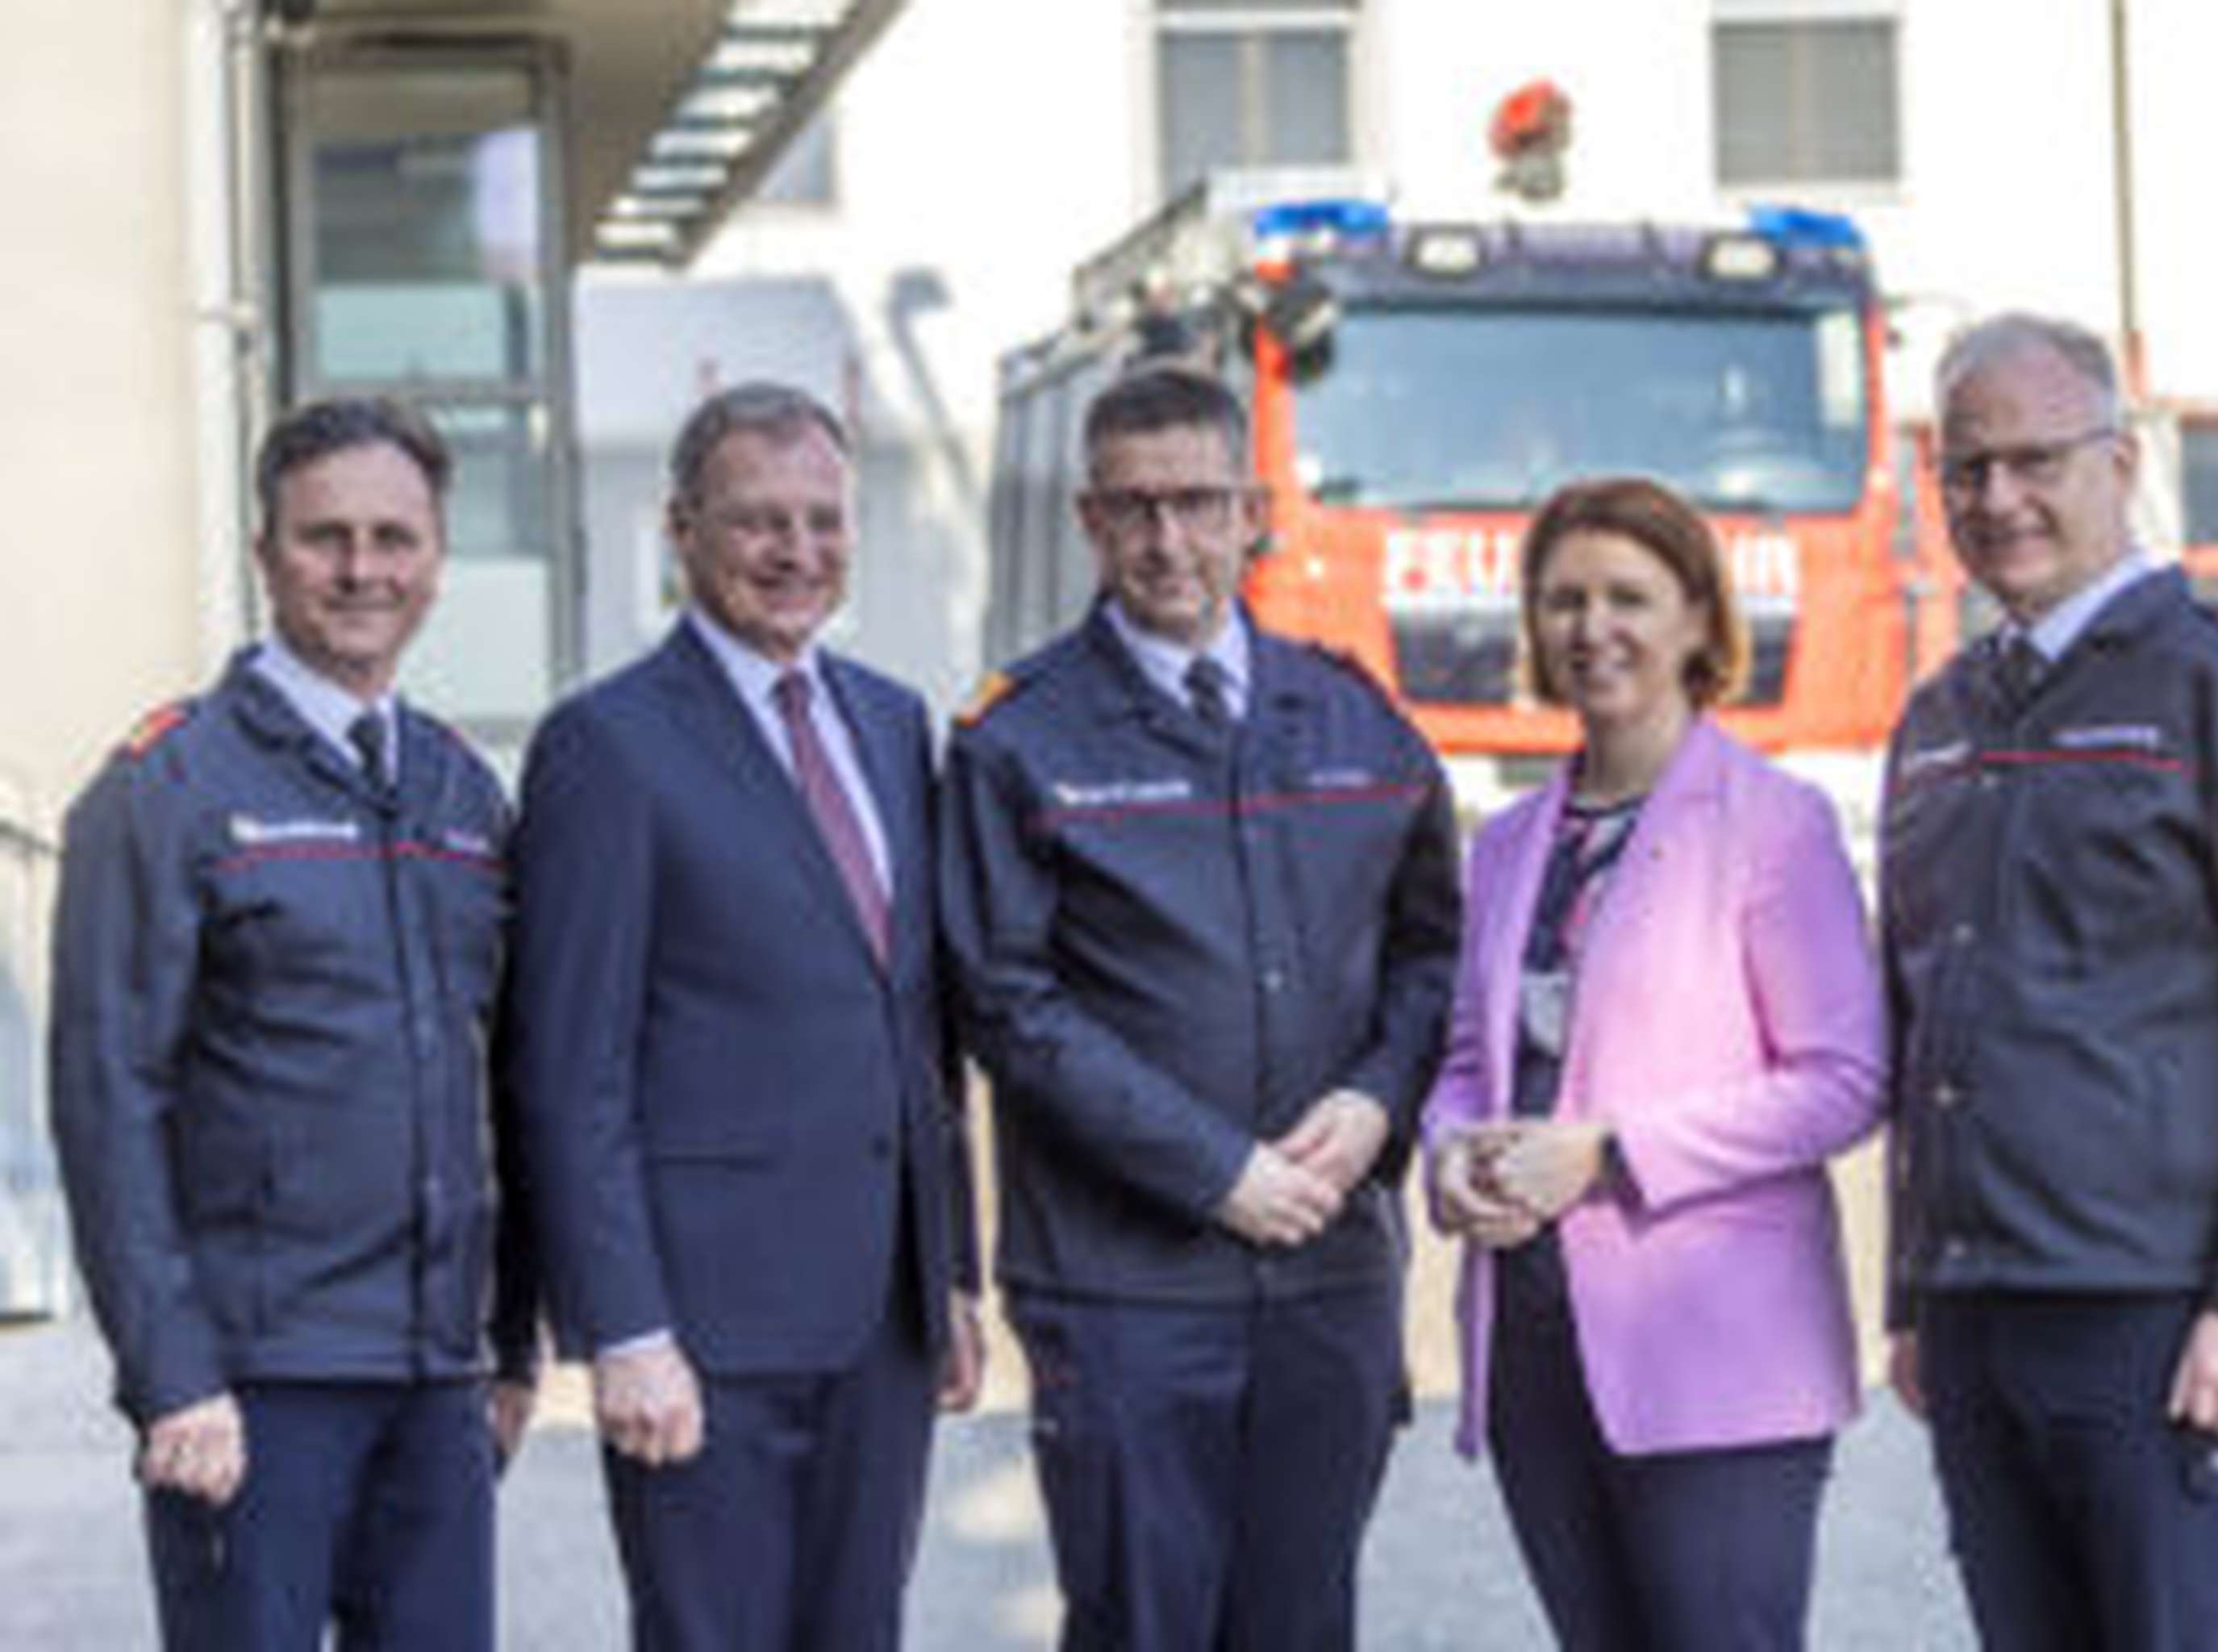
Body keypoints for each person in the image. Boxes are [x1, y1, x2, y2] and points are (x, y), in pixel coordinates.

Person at [940, 365, 1461, 1650]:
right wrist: (1214, 1169)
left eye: (1197, 502)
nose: (1167, 540)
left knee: (1302, 1626)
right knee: (1142, 1625)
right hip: (1125, 1295)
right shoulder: (1021, 739)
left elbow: (1434, 951)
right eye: (1134, 508)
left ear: (1253, 510)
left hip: (1329, 1281)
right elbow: (1009, 1006)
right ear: (1089, 523)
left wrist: (1373, 1098)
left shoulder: (1355, 716)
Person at [1881, 313, 2218, 1650]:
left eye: (2036, 461)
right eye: (1968, 471)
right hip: (1986, 1328)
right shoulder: (1939, 724)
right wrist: (1916, 1300)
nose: (1999, 500)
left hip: (2175, 1330)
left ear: (2121, 460)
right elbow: (1921, 1023)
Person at [48, 398, 537, 1650]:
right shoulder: (169, 787)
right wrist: (174, 1375)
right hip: (254, 1385)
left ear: (437, 556)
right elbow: (110, 1099)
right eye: (327, 538)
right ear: (265, 552)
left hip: (434, 1376)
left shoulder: (457, 788)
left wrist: (510, 1345)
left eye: (395, 537)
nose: (363, 570)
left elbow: (507, 1080)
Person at [501, 382, 981, 1651]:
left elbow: (917, 1026)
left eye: (823, 520)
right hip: (704, 1326)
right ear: (682, 529)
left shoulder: (889, 722)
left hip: (880, 1314)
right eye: (759, 521)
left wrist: (954, 1275)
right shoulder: (606, 746)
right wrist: (628, 1328)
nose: (797, 552)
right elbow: (569, 1070)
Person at [1422, 476, 1887, 1650]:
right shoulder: (1514, 842)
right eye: (1565, 600)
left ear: (1697, 620)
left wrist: (1613, 1154)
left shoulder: (1774, 823)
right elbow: (1470, 1058)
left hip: (1719, 1365)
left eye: (1628, 596)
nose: (1592, 628)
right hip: (1536, 1348)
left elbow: (1843, 1079)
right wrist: (1448, 1157)